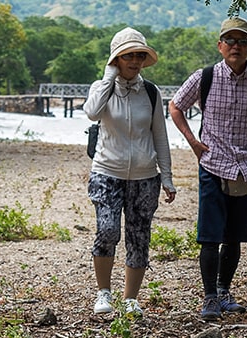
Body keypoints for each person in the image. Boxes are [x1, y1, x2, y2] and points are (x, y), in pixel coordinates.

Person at [168, 17, 247, 321]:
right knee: (209, 236)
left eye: (242, 41)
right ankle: (209, 297)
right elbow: (175, 106)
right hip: (212, 163)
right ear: (220, 45)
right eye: (230, 41)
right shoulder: (205, 77)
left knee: (235, 236)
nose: (236, 46)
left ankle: (224, 290)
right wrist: (193, 142)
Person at [83, 27, 176, 317]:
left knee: (139, 236)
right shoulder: (102, 88)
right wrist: (109, 77)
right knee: (107, 230)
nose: (134, 62)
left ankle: (131, 298)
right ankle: (103, 293)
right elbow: (93, 112)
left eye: (139, 56)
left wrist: (167, 176)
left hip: (144, 176)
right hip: (106, 172)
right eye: (127, 56)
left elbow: (159, 135)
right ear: (115, 59)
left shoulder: (150, 92)